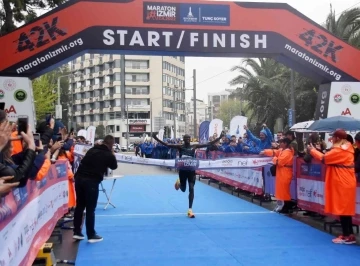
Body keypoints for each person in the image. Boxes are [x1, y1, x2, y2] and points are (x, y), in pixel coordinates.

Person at [153, 131, 224, 218]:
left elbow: (208, 143)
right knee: (183, 189)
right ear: (183, 140)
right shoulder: (180, 147)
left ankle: (190, 210)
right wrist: (155, 138)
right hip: (182, 171)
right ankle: (179, 182)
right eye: (186, 138)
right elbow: (167, 145)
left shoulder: (194, 146)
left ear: (190, 140)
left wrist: (220, 137)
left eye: (189, 138)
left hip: (191, 171)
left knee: (191, 188)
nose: (187, 140)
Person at [308, 129, 357, 244]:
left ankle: (347, 236)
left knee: (344, 210)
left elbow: (325, 158)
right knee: (345, 210)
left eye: (333, 137)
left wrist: (312, 151)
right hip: (345, 181)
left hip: (342, 182)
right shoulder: (346, 147)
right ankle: (348, 234)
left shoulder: (340, 150)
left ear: (338, 138)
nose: (332, 139)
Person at [73, 135, 118, 243]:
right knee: (90, 208)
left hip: (79, 178)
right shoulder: (108, 154)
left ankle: (77, 232)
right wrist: (112, 153)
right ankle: (91, 234)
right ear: (111, 145)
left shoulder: (92, 150)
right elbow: (114, 166)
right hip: (91, 181)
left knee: (79, 205)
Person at [261, 138, 294, 213]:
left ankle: (286, 207)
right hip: (282, 172)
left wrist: (274, 158)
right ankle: (282, 206)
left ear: (285, 143)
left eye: (281, 142)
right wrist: (265, 152)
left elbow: (279, 162)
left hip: (285, 172)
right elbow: (275, 152)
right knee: (281, 190)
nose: (280, 144)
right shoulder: (283, 150)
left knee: (284, 190)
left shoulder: (287, 152)